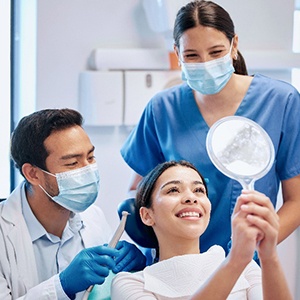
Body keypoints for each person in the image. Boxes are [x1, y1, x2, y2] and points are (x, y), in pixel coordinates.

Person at [120, 0, 300, 256]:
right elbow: (139, 189)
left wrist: (255, 249)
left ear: (234, 45)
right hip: (174, 262)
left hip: (246, 265)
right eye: (192, 55)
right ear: (178, 53)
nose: (205, 63)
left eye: (216, 53)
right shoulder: (163, 108)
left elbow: (297, 200)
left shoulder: (280, 102)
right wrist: (138, 233)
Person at [0, 108, 146, 300]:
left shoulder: (93, 216)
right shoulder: (5, 232)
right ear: (33, 174)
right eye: (72, 163)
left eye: (91, 157)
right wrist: (62, 285)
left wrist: (131, 269)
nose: (88, 170)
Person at [111, 160, 292, 299]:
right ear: (146, 215)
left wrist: (269, 257)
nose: (191, 197)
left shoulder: (246, 268)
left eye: (199, 190)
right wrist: (235, 261)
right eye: (173, 190)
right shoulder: (132, 283)